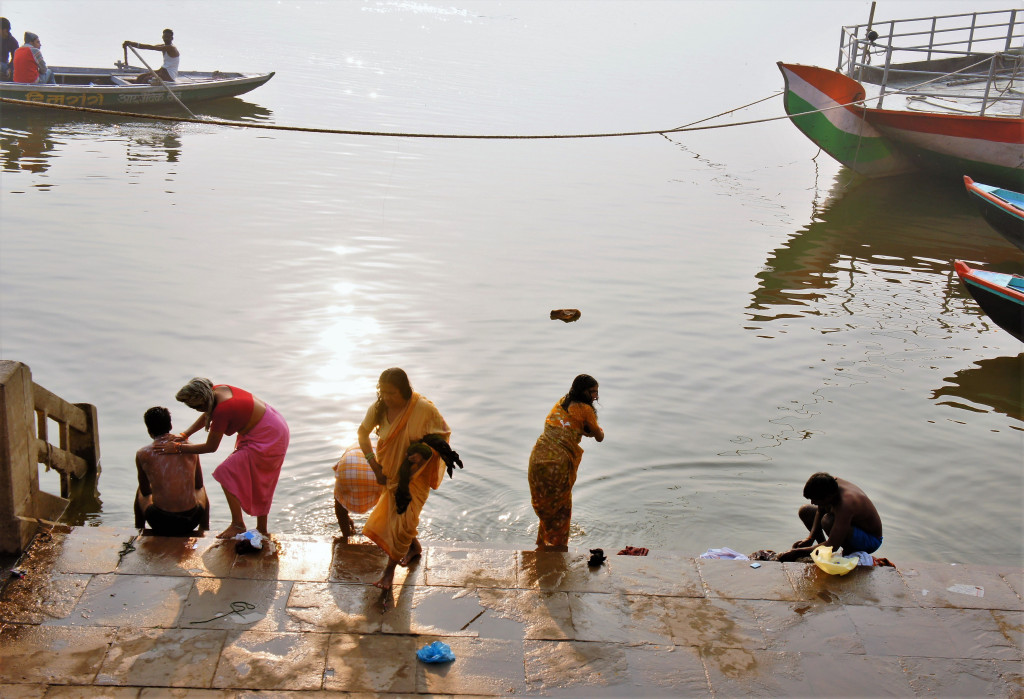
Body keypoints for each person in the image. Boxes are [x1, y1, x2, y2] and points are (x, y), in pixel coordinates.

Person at [357, 368, 452, 591]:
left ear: (405, 390)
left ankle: (388, 572)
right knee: (400, 523)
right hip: (388, 473)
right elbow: (362, 433)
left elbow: (443, 435)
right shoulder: (379, 409)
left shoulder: (423, 409)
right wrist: (373, 465)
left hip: (414, 477)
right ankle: (415, 547)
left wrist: (424, 452)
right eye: (383, 392)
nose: (387, 398)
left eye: (392, 393)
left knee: (403, 523)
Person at [163, 378, 289, 539]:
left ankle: (238, 524)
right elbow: (208, 413)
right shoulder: (216, 391)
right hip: (272, 424)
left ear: (203, 401)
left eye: (195, 407)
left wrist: (178, 449)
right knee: (258, 478)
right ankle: (261, 529)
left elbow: (210, 447)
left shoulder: (223, 409)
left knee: (226, 472)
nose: (196, 411)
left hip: (268, 435)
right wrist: (186, 434)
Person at [528, 374, 604, 551]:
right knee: (561, 507)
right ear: (583, 391)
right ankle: (557, 549)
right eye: (592, 392)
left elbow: (567, 427)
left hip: (538, 457)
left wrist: (584, 431)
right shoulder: (585, 410)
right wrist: (596, 431)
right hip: (558, 463)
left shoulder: (562, 402)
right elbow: (599, 436)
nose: (595, 396)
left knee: (547, 503)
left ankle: (542, 545)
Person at [135, 406, 210, 536]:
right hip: (191, 519)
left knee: (140, 491)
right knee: (201, 488)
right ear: (170, 425)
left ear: (149, 430)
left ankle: (138, 529)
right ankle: (204, 528)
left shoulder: (143, 453)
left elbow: (145, 490)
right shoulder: (189, 446)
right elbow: (198, 484)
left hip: (159, 521)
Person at [777, 472, 883, 562]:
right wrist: (810, 538)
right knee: (805, 511)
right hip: (850, 525)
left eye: (815, 499)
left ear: (828, 497)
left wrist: (796, 553)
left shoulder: (846, 503)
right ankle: (821, 549)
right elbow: (820, 509)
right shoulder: (830, 485)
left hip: (870, 540)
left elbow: (833, 546)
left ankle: (847, 551)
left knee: (827, 521)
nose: (812, 502)